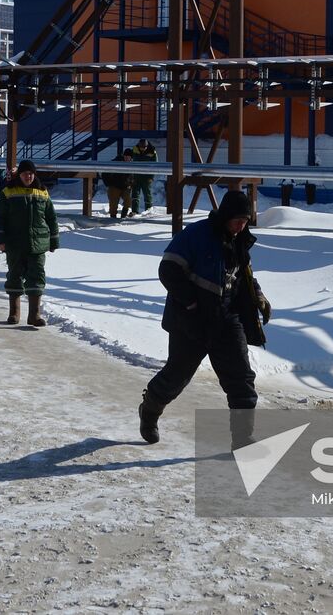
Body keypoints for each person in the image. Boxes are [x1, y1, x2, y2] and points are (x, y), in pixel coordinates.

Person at [138, 190, 271, 449]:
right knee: (176, 377)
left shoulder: (240, 240)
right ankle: (149, 410)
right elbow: (168, 269)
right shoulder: (196, 235)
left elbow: (244, 276)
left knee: (241, 379)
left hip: (227, 320)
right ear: (224, 215)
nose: (241, 225)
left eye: (245, 220)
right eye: (237, 219)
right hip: (191, 321)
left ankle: (242, 440)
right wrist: (190, 302)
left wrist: (259, 297)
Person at [0, 159, 59, 327]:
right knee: (14, 276)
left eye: (30, 173)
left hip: (38, 244)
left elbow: (51, 217)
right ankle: (14, 312)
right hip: (15, 243)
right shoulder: (8, 192)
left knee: (36, 276)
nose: (28, 176)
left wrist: (53, 240)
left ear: (34, 174)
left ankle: (34, 315)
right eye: (24, 173)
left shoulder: (42, 192)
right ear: (19, 175)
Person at [102, 150, 133, 219]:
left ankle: (123, 217)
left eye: (129, 157)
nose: (127, 158)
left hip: (125, 186)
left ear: (131, 158)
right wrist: (108, 183)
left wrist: (131, 183)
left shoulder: (132, 164)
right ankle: (113, 218)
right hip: (114, 186)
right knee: (113, 204)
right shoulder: (115, 162)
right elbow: (104, 172)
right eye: (126, 156)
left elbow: (133, 176)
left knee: (128, 201)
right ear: (123, 156)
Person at [131, 138, 156, 214]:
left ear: (147, 146)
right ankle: (135, 211)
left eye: (144, 147)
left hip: (146, 177)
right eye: (141, 147)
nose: (142, 149)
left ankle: (148, 211)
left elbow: (155, 165)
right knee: (135, 194)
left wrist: (151, 177)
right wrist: (131, 176)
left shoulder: (152, 152)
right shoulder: (135, 151)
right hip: (136, 176)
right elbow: (130, 162)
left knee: (147, 195)